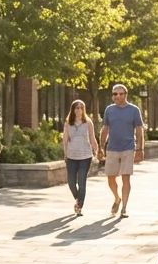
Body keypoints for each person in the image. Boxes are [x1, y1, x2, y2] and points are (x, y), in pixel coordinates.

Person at [98, 84, 144, 218]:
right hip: (112, 148)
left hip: (128, 148)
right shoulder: (109, 110)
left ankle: (124, 207)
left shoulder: (134, 110)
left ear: (126, 95)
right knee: (110, 177)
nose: (118, 96)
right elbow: (105, 128)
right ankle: (117, 198)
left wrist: (140, 149)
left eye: (121, 94)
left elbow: (139, 130)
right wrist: (101, 147)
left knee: (125, 178)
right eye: (115, 94)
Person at [62, 100, 99, 216]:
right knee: (71, 182)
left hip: (85, 156)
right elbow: (65, 140)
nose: (78, 110)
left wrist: (97, 151)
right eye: (76, 108)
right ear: (73, 110)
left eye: (80, 108)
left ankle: (79, 206)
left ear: (83, 110)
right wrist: (65, 153)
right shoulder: (68, 123)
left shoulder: (88, 123)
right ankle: (78, 198)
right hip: (71, 156)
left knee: (82, 183)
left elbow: (92, 139)